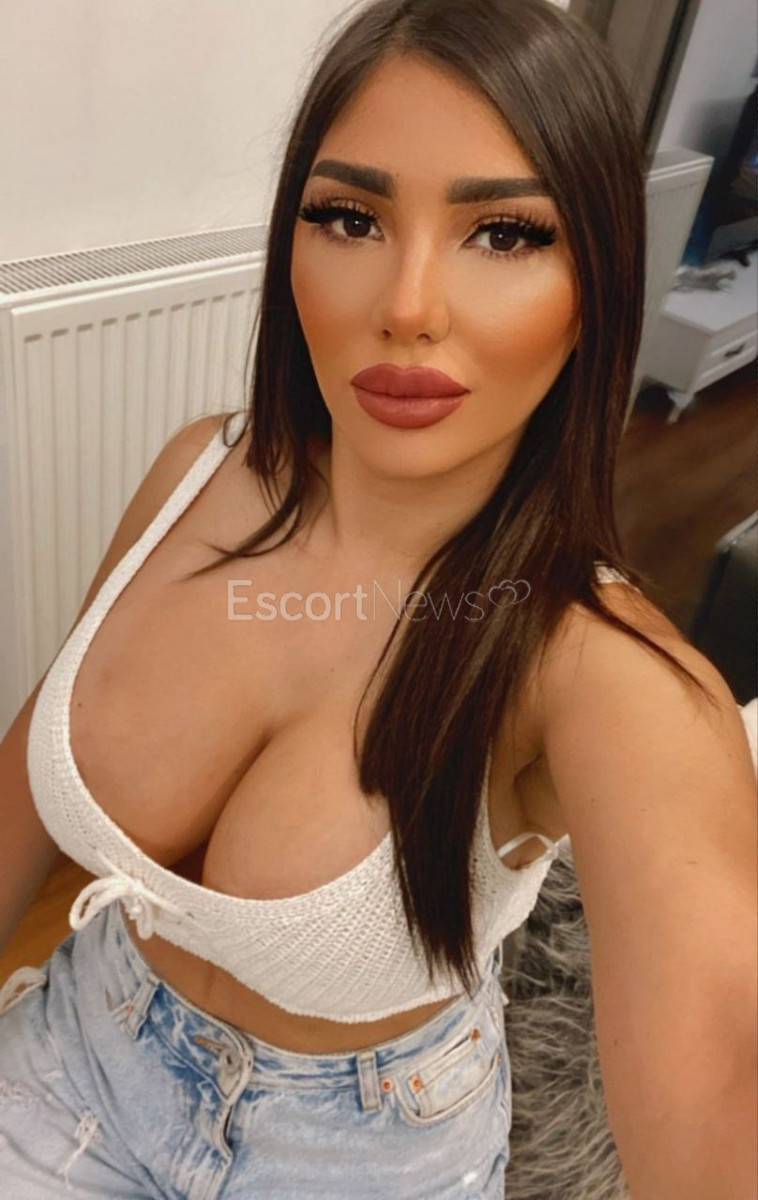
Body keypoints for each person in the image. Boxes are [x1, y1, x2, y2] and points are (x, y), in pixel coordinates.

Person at [1, 1, 755, 1196]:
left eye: (503, 233)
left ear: (594, 288)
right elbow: (19, 794)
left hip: (354, 1152)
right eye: (349, 218)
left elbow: (719, 1088)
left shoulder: (602, 678)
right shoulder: (198, 471)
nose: (406, 305)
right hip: (76, 1060)